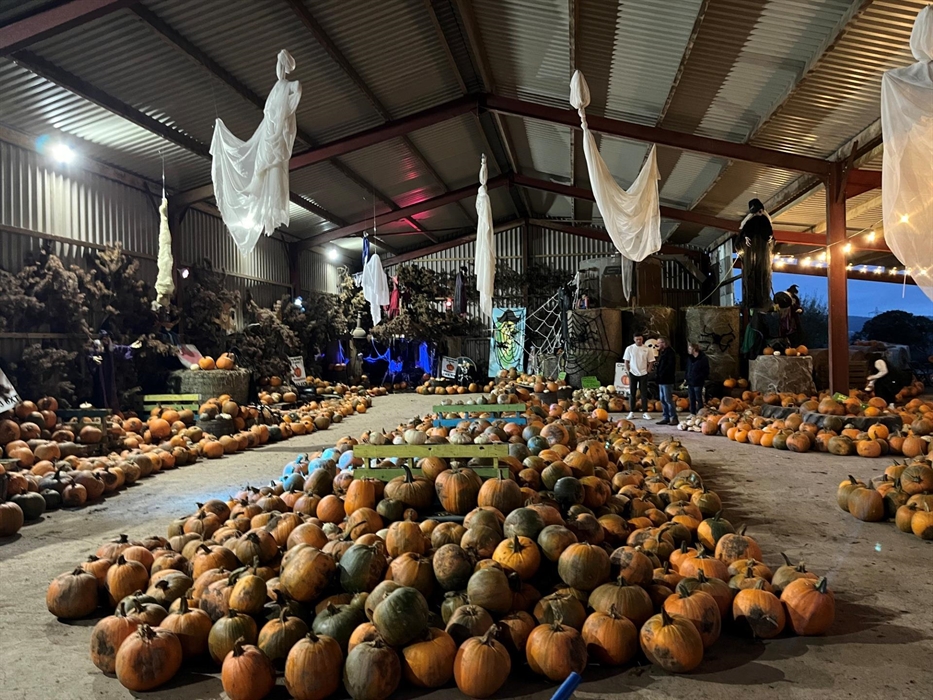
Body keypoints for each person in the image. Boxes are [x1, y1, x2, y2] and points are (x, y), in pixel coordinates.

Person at [88, 332, 142, 411]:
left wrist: (130, 347)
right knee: (100, 392)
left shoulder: (111, 349)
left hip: (109, 375)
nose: (106, 340)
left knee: (110, 392)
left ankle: (110, 409)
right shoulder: (96, 348)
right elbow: (87, 354)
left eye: (107, 337)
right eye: (104, 338)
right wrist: (93, 358)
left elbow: (120, 349)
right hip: (99, 376)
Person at [738, 198, 774, 310]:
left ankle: (755, 300)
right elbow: (743, 229)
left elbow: (743, 228)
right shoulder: (756, 220)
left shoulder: (761, 220)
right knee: (757, 274)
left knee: (759, 274)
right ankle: (755, 300)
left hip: (760, 251)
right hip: (757, 251)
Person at [623, 333, 655, 420]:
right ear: (634, 339)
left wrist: (648, 370)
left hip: (643, 373)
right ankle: (631, 412)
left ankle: (645, 412)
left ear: (642, 339)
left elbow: (651, 361)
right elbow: (626, 360)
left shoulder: (647, 349)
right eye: (637, 339)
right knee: (632, 393)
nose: (638, 341)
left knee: (644, 393)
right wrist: (628, 370)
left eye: (640, 339)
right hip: (633, 373)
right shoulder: (629, 348)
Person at [654, 337, 677, 425]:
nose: (657, 345)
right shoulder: (662, 353)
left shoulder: (670, 353)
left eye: (659, 343)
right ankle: (666, 417)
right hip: (661, 380)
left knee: (668, 399)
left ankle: (673, 417)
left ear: (664, 343)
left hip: (667, 380)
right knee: (662, 399)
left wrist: (662, 373)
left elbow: (669, 367)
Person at [685, 343, 710, 415]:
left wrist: (700, 377)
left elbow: (706, 370)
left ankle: (700, 413)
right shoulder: (690, 358)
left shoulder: (703, 359)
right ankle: (692, 413)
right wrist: (686, 377)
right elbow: (687, 368)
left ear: (694, 349)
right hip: (690, 381)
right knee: (691, 398)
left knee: (698, 398)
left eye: (690, 349)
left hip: (698, 381)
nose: (688, 350)